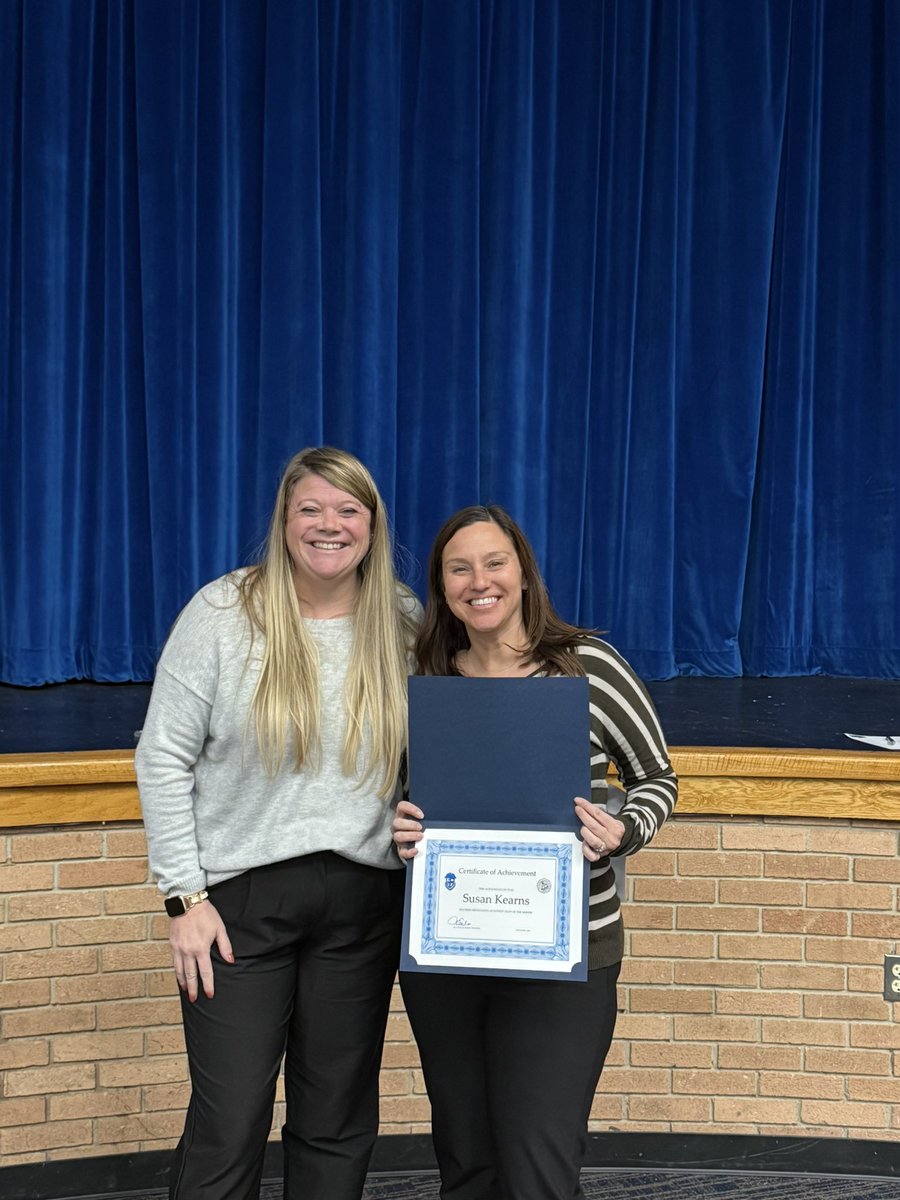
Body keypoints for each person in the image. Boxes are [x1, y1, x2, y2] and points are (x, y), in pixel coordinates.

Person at [135, 447, 420, 1200]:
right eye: (311, 510)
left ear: (372, 523)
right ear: (285, 521)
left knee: (336, 1120)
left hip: (362, 905)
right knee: (230, 1122)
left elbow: (432, 754)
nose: (330, 525)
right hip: (238, 911)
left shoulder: (402, 619)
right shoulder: (225, 612)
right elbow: (161, 757)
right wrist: (182, 900)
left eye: (348, 510)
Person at [392, 504, 678, 1200]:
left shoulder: (588, 667)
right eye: (459, 568)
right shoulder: (424, 678)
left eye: (495, 563)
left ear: (523, 573)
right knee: (465, 1159)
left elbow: (656, 779)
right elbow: (399, 794)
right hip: (449, 953)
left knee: (537, 1166)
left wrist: (622, 830)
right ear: (441, 585)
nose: (478, 581)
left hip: (564, 958)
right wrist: (397, 826)